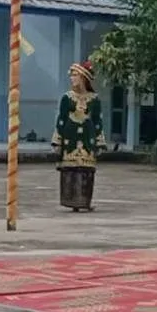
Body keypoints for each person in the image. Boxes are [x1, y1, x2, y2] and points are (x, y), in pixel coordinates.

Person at [51, 61, 106, 212]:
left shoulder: (94, 99)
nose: (72, 79)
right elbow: (61, 120)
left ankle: (84, 202)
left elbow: (97, 121)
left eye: (75, 76)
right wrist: (57, 141)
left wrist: (100, 143)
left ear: (83, 78)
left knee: (86, 172)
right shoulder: (67, 98)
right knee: (70, 171)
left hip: (88, 138)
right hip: (70, 137)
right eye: (72, 76)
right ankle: (71, 201)